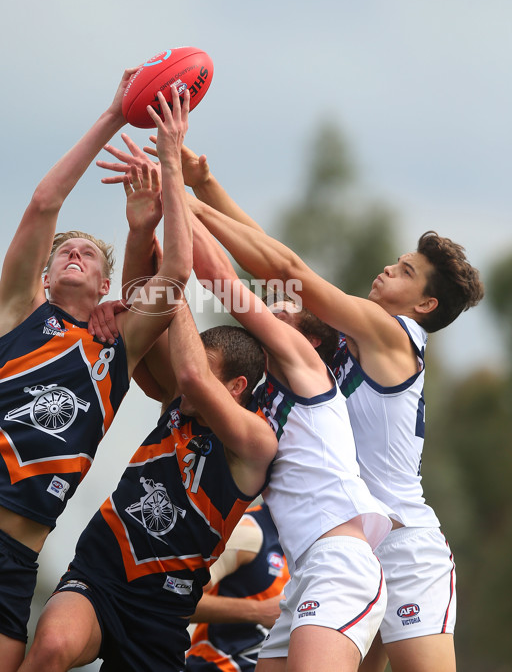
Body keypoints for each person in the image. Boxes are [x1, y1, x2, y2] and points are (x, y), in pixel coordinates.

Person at [0, 79, 193, 672]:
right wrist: (116, 114)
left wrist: (168, 161)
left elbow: (176, 273)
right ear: (44, 277)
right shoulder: (17, 314)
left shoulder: (118, 347)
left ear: (104, 287)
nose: (73, 254)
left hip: (17, 556)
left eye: (89, 255)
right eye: (63, 252)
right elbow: (44, 203)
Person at [183, 156, 484, 672]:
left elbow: (289, 272)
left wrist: (186, 203)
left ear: (425, 306)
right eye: (397, 260)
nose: (390, 268)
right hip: (346, 545)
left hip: (404, 544)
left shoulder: (393, 334)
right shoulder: (353, 336)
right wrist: (205, 185)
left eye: (406, 271)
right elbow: (279, 264)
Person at [14, 148, 279, 672]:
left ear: (236, 387)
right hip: (102, 570)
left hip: (163, 608)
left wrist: (173, 268)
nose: (189, 367)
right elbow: (147, 307)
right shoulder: (175, 405)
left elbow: (189, 371)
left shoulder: (253, 444)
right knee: (49, 647)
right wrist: (141, 233)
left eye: (206, 366)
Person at [186, 216, 392, 672]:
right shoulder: (262, 399)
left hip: (339, 565)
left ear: (309, 341)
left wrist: (178, 196)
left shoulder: (308, 373)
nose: (268, 311)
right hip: (305, 573)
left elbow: (223, 280)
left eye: (282, 312)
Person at [186, 500, 289, 672]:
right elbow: (174, 598)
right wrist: (259, 611)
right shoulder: (248, 530)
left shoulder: (314, 544)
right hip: (217, 666)